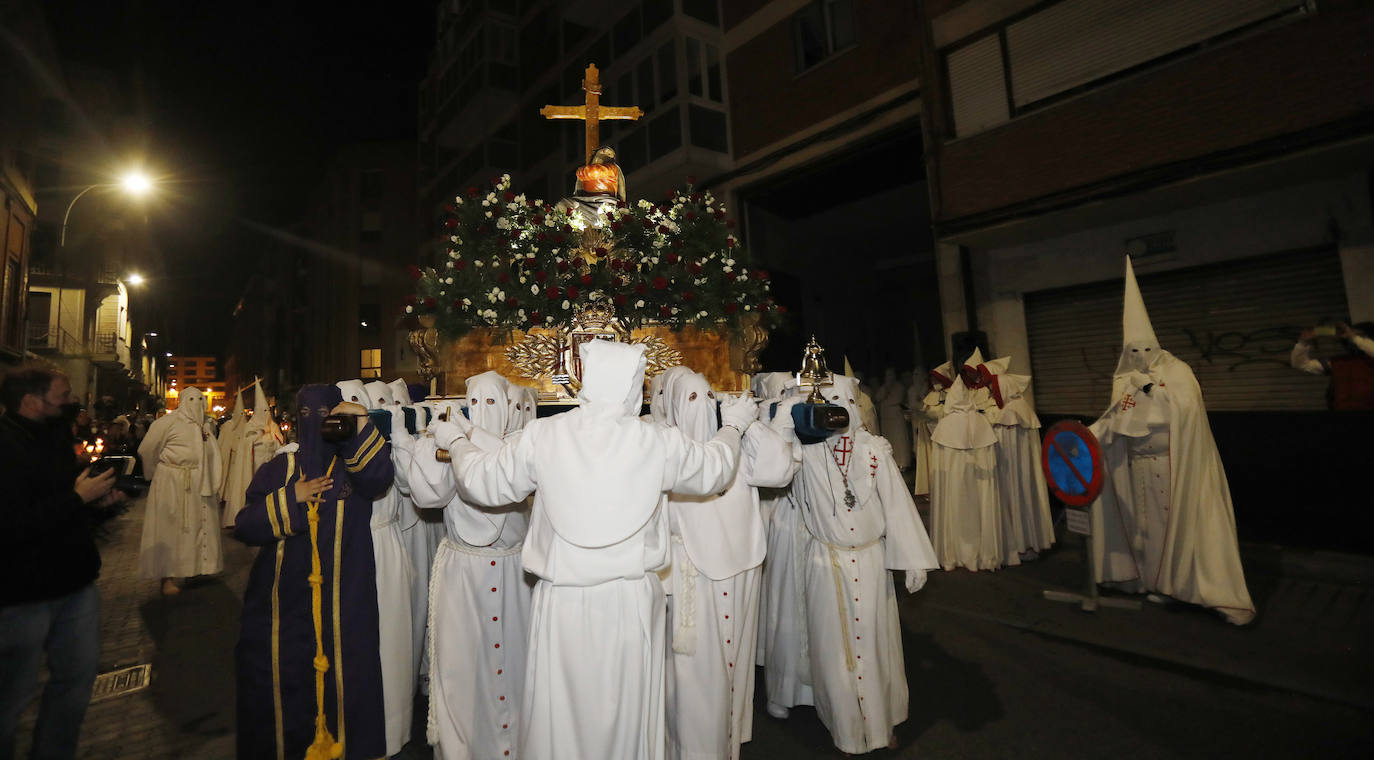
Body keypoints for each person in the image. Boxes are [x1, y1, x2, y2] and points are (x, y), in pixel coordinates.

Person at [429, 341, 756, 760]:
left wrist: (457, 440)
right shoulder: (656, 440)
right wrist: (732, 427)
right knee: (628, 718)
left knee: (560, 719)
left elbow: (483, 482)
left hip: (563, 604)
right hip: (629, 601)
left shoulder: (544, 433)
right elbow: (714, 470)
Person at [1089, 256, 1256, 625]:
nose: (1140, 358)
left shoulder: (1178, 372)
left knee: (1179, 527)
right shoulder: (1123, 380)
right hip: (1137, 468)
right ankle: (1150, 582)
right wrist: (1085, 436)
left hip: (1174, 465)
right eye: (1133, 351)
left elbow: (1188, 407)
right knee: (1145, 529)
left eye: (1145, 350)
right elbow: (1115, 419)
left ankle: (1187, 585)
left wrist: (1155, 390)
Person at [234, 384, 392, 760]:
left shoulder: (354, 467)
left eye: (325, 415)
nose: (316, 423)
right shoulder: (280, 468)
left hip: (343, 606)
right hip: (283, 607)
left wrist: (361, 424)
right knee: (284, 684)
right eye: (307, 415)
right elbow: (245, 525)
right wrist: (294, 497)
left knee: (348, 684)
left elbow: (380, 477)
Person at [787, 374, 938, 754]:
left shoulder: (874, 451)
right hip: (827, 562)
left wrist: (913, 560)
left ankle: (880, 723)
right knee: (833, 651)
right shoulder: (802, 451)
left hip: (871, 561)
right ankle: (846, 728)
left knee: (876, 643)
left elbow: (897, 503)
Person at [661, 370, 800, 760]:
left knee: (734, 664)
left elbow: (779, 469)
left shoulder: (735, 440)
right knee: (696, 676)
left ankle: (727, 743)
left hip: (741, 564)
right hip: (692, 574)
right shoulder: (664, 443)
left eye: (707, 397)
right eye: (690, 399)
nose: (702, 407)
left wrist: (745, 424)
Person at [406, 372, 534, 760]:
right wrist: (432, 442)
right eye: (474, 403)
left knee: (516, 664)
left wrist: (466, 436)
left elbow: (511, 472)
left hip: (515, 575)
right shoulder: (448, 443)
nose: (481, 412)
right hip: (464, 574)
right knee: (465, 670)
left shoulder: (521, 443)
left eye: (492, 403)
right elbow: (428, 496)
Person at [1, 366, 124, 760]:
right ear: (31, 401)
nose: (73, 401)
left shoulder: (55, 438)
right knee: (11, 699)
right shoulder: (6, 447)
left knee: (74, 683)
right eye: (64, 394)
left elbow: (65, 503)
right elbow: (12, 525)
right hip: (22, 595)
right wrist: (77, 499)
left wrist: (97, 505)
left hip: (75, 585)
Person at [138, 387, 225, 596]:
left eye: (200, 399)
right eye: (191, 399)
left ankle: (194, 569)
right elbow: (147, 450)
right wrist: (157, 475)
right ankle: (167, 576)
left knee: (197, 527)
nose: (196, 403)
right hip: (172, 483)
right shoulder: (166, 423)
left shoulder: (205, 426)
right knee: (170, 528)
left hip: (198, 483)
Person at [928, 349, 1003, 571]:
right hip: (979, 489)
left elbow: (939, 470)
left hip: (954, 488)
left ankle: (954, 554)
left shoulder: (946, 426)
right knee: (980, 509)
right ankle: (982, 554)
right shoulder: (981, 423)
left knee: (954, 508)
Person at [222, 382, 283, 528]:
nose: (265, 414)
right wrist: (259, 434)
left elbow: (279, 442)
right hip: (253, 467)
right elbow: (247, 443)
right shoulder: (250, 427)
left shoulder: (273, 426)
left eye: (266, 411)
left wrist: (272, 441)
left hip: (270, 466)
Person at [1291, 321, 1374, 410]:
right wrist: (1303, 343)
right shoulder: (1340, 362)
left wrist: (1355, 338)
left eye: (1361, 336)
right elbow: (1301, 364)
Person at [875, 368, 912, 470]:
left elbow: (899, 398)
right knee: (889, 439)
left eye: (891, 375)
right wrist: (886, 389)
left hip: (896, 416)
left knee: (899, 439)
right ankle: (892, 462)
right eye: (888, 375)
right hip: (886, 417)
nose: (890, 377)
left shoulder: (899, 387)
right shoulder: (883, 387)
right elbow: (878, 398)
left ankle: (903, 462)